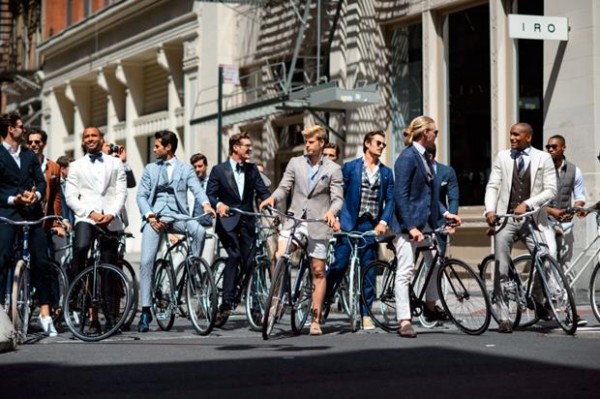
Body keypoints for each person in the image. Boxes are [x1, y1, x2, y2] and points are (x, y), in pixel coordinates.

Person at [260, 125, 343, 336]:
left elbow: (337, 199)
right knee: (280, 256)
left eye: (311, 141)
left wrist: (332, 213)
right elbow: (284, 187)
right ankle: (275, 303)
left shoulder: (333, 169)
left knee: (318, 271)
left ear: (321, 143)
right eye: (306, 140)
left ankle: (315, 320)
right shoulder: (295, 163)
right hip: (294, 219)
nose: (307, 144)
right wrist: (272, 198)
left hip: (318, 222)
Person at [136, 130, 215, 332]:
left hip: (178, 216)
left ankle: (193, 266)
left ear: (168, 147)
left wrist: (206, 204)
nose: (154, 149)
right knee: (146, 261)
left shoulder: (185, 169)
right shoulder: (150, 169)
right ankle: (145, 310)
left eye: (157, 146)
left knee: (198, 230)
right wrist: (150, 216)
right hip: (155, 217)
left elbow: (197, 189)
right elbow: (141, 196)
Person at [391, 116, 461, 338]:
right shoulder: (407, 158)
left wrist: (446, 213)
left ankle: (430, 306)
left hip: (426, 224)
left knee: (436, 262)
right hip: (407, 225)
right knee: (406, 271)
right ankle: (404, 320)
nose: (436, 135)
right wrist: (410, 226)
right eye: (434, 132)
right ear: (424, 134)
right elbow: (400, 195)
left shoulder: (424, 159)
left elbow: (429, 196)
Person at [484, 122, 557, 334]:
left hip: (532, 219)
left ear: (528, 137)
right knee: (502, 266)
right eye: (511, 135)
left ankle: (536, 298)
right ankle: (504, 316)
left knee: (544, 256)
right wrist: (490, 210)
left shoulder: (543, 158)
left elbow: (551, 190)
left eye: (516, 135)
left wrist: (529, 203)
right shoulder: (503, 157)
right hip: (506, 218)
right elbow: (493, 185)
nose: (512, 138)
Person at [325, 130, 393, 330]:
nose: (381, 147)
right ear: (367, 144)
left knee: (369, 271)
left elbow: (391, 200)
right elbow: (338, 194)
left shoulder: (386, 172)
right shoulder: (350, 168)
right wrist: (335, 217)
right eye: (378, 143)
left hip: (369, 225)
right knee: (338, 264)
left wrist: (383, 221)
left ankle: (366, 313)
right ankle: (324, 300)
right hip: (347, 222)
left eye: (383, 144)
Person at [0, 113, 57, 336]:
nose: (23, 130)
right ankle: (1, 310)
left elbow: (40, 181)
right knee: (2, 257)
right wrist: (14, 199)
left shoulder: (28, 155)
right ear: (10, 129)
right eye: (20, 127)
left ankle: (45, 312)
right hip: (7, 213)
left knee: (42, 260)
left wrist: (37, 195)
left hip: (31, 214)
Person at [206, 132, 271, 323]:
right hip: (227, 222)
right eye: (246, 145)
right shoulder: (219, 170)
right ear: (235, 147)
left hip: (247, 221)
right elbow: (210, 194)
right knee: (234, 255)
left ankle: (247, 301)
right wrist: (218, 205)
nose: (249, 149)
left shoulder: (252, 170)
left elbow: (263, 192)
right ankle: (226, 302)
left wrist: (272, 210)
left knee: (251, 262)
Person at [65, 127, 128, 298]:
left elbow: (121, 192)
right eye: (86, 136)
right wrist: (90, 213)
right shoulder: (76, 166)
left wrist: (112, 214)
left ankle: (109, 316)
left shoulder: (115, 163)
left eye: (94, 135)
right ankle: (75, 289)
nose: (90, 139)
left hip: (110, 218)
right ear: (83, 141)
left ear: (101, 139)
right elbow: (70, 197)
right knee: (81, 246)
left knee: (109, 267)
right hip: (86, 217)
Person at [544, 135, 587, 326]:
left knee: (566, 270)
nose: (551, 149)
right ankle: (550, 303)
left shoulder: (574, 170)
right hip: (544, 222)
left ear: (563, 148)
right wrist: (551, 211)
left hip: (566, 224)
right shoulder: (542, 169)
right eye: (548, 147)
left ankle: (569, 310)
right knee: (550, 259)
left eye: (554, 146)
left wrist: (578, 207)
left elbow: (580, 195)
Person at [25, 129, 65, 239]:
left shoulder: (54, 167)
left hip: (44, 217)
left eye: (37, 142)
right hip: (24, 216)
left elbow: (56, 196)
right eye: (30, 142)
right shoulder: (20, 164)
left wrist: (57, 223)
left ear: (44, 143)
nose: (33, 145)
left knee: (44, 252)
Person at [426, 143, 459, 256]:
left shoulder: (447, 172)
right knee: (410, 264)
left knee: (438, 261)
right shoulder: (416, 172)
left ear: (429, 156)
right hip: (417, 221)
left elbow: (453, 198)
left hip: (439, 222)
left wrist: (451, 221)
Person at [190, 152, 216, 266]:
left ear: (206, 166)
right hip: (193, 227)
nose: (197, 169)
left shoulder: (214, 183)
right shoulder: (190, 184)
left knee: (206, 264)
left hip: (209, 227)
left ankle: (204, 283)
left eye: (200, 166)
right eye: (194, 167)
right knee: (192, 262)